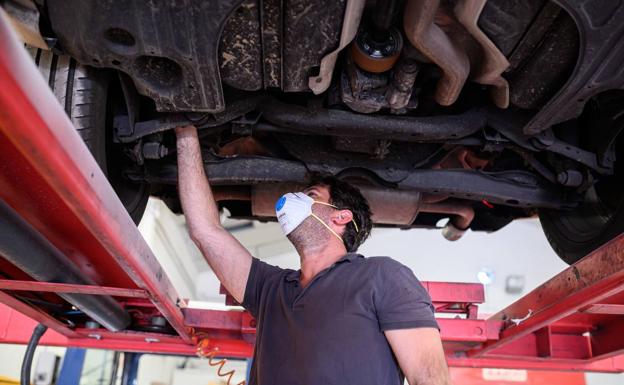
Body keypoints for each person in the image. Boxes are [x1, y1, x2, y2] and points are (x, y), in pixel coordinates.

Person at [175, 125, 452, 385]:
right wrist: (185, 132)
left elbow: (430, 378)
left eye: (310, 194)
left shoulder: (383, 276)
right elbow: (205, 230)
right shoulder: (271, 290)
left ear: (341, 217)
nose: (294, 199)